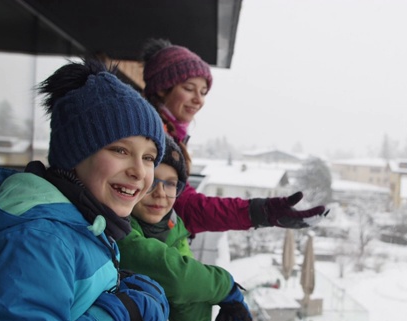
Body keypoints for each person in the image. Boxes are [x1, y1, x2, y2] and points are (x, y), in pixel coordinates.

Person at [0, 58, 170, 321]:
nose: (139, 171)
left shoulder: (82, 223)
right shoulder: (40, 242)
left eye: (149, 157)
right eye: (120, 150)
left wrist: (120, 285)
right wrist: (113, 316)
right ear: (74, 154)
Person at [141, 38, 329, 236]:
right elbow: (185, 208)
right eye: (188, 89)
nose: (198, 100)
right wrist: (261, 212)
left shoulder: (172, 136)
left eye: (203, 92)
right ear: (162, 88)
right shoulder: (152, 137)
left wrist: (263, 211)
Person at [119, 135, 252, 321]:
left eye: (171, 183)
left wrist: (186, 287)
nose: (161, 193)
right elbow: (174, 275)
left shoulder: (174, 229)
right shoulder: (118, 224)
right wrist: (222, 286)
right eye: (152, 181)